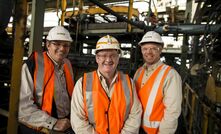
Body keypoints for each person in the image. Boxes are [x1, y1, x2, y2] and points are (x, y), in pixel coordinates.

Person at [70, 35, 142, 134]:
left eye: (112, 55)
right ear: (97, 58)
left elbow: (135, 114)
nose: (108, 60)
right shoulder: (82, 83)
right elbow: (78, 120)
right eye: (103, 55)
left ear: (118, 58)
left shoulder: (129, 83)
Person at [18, 26, 75, 133]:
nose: (62, 48)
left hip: (66, 124)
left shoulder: (67, 64)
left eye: (66, 45)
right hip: (40, 127)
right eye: (57, 44)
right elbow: (23, 108)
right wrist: (52, 122)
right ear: (48, 44)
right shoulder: (32, 65)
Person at [133, 31, 182, 134]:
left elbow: (172, 112)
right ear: (141, 50)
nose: (148, 52)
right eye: (145, 49)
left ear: (161, 50)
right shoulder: (139, 72)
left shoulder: (170, 75)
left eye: (154, 49)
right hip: (136, 128)